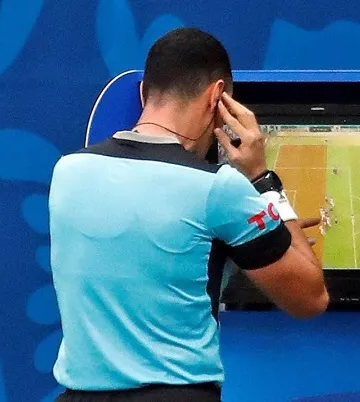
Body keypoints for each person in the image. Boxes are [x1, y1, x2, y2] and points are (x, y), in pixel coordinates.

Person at [49, 28, 328, 402]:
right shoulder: (219, 188)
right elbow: (310, 298)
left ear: (144, 92)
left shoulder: (67, 172)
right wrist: (262, 181)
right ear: (217, 96)